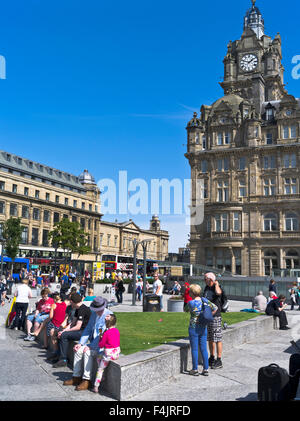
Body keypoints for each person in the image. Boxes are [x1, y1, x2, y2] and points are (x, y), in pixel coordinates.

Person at [63, 296, 113, 391]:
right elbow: (88, 329)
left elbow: (102, 335)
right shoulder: (94, 314)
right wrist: (81, 343)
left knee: (87, 353)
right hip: (93, 344)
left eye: (98, 309)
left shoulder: (109, 316)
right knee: (78, 350)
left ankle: (86, 380)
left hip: (102, 347)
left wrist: (91, 347)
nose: (97, 311)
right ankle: (76, 377)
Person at [184, 284, 217, 376]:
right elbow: (215, 308)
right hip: (203, 327)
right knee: (204, 349)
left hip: (193, 328)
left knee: (194, 349)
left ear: (192, 293)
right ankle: (205, 369)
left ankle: (195, 369)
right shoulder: (205, 301)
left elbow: (185, 310)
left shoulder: (191, 303)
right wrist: (208, 316)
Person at [52, 293, 91, 367]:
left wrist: (65, 332)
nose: (70, 303)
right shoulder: (77, 309)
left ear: (73, 302)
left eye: (70, 302)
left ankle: (63, 360)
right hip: (80, 330)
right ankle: (59, 355)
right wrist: (64, 330)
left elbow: (78, 327)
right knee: (60, 333)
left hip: (84, 332)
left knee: (64, 335)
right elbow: (72, 323)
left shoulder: (83, 309)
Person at [92, 313, 121, 393]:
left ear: (106, 323)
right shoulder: (116, 330)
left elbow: (101, 345)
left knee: (100, 369)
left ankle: (96, 386)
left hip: (108, 356)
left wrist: (101, 337)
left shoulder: (106, 333)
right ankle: (102, 376)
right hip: (116, 354)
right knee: (99, 357)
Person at [203, 272, 224, 369]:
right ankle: (211, 357)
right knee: (210, 338)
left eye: (205, 279)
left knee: (217, 338)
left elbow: (219, 293)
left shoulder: (217, 287)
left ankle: (219, 360)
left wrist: (216, 284)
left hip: (216, 316)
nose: (204, 280)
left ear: (211, 279)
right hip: (208, 316)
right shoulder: (206, 288)